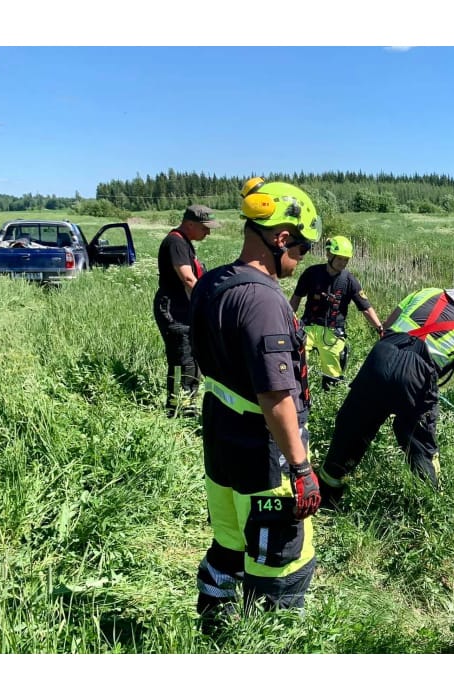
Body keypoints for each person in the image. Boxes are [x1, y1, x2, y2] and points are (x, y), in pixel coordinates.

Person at [188, 178, 322, 634]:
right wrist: (301, 471)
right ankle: (270, 642)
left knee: (228, 543)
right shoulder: (264, 300)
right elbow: (276, 395)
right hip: (264, 456)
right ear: (280, 238)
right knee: (282, 560)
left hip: (221, 443)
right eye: (301, 249)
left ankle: (213, 628)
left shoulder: (211, 283)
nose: (299, 259)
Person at [315, 267, 454, 506]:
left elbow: (388, 324)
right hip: (415, 377)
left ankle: (326, 494)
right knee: (420, 444)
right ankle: (431, 505)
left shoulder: (425, 293)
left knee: (352, 428)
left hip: (381, 356)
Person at [289, 235, 385, 389]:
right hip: (309, 327)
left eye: (346, 260)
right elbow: (296, 298)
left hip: (334, 332)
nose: (343, 263)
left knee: (333, 374)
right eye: (340, 259)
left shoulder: (349, 281)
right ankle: (298, 397)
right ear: (329, 255)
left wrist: (379, 327)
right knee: (296, 363)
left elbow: (365, 307)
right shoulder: (311, 273)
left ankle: (329, 398)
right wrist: (288, 320)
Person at [153, 203, 218, 417]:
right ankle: (176, 409)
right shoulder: (175, 242)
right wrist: (207, 304)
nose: (208, 232)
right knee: (182, 359)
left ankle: (187, 403)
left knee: (192, 357)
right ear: (190, 224)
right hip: (174, 311)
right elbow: (188, 278)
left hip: (185, 310)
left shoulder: (185, 242)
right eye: (205, 227)